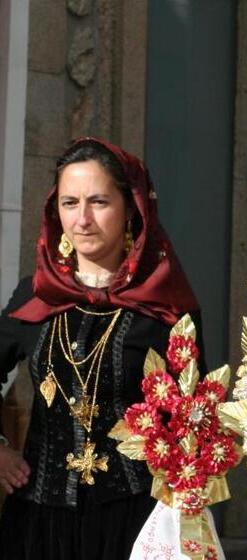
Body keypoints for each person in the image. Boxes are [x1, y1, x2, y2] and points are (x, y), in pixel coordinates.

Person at [0, 138, 203, 559]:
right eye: (70, 203)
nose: (83, 220)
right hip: (38, 521)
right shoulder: (35, 297)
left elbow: (197, 419)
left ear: (131, 209)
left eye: (99, 202)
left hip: (135, 521)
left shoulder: (165, 308)